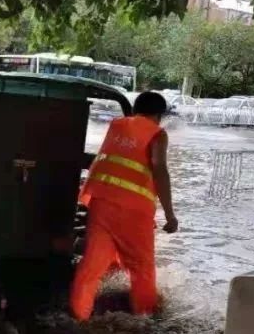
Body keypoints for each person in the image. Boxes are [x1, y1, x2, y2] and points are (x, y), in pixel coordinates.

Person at [70, 91, 178, 321]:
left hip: (100, 203)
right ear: (158, 115)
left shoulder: (116, 125)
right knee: (142, 269)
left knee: (91, 267)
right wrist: (170, 215)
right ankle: (145, 319)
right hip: (133, 211)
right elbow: (159, 169)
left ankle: (79, 317)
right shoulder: (157, 134)